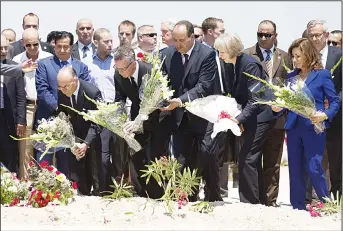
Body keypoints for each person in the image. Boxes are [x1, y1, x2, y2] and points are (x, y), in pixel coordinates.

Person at [272, 38, 340, 210]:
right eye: (293, 56)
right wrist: (278, 107)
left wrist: (324, 115)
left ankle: (326, 203)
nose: (294, 60)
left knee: (314, 167)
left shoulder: (322, 75)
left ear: (308, 54)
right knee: (294, 168)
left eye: (298, 56)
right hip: (294, 127)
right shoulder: (290, 76)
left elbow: (334, 102)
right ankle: (298, 206)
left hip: (314, 128)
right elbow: (288, 102)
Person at [160, 20, 222, 202]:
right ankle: (185, 196)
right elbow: (164, 83)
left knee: (207, 154)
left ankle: (213, 196)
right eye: (175, 40)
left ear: (191, 37)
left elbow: (204, 85)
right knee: (181, 159)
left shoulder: (207, 54)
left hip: (204, 115)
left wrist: (180, 100)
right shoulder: (167, 55)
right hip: (180, 117)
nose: (177, 44)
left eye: (181, 40)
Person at [214, 33, 266, 204]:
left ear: (231, 50)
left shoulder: (250, 65)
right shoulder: (231, 65)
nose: (219, 55)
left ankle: (250, 202)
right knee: (250, 158)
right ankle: (259, 200)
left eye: (221, 51)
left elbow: (256, 98)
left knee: (247, 158)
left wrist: (239, 119)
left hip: (262, 116)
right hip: (249, 116)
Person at [113, 45, 166, 199]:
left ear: (133, 64)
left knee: (155, 156)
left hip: (158, 119)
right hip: (136, 118)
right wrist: (121, 119)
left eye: (123, 69)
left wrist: (141, 119)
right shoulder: (119, 74)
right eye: (118, 69)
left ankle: (157, 195)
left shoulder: (151, 72)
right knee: (136, 154)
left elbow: (158, 100)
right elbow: (119, 98)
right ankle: (140, 193)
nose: (120, 73)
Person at [57, 67, 101, 195]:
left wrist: (86, 143)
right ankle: (81, 190)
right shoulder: (62, 90)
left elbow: (97, 123)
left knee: (95, 168)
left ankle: (97, 190)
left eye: (65, 86)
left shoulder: (92, 93)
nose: (63, 90)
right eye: (60, 87)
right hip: (76, 133)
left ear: (75, 81)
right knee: (77, 168)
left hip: (93, 133)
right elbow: (62, 112)